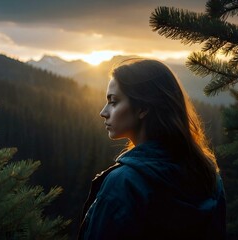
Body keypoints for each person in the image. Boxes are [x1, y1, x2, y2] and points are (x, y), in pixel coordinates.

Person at [78, 59, 226, 239]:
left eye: (114, 101)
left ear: (142, 108)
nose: (104, 112)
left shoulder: (123, 183)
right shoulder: (208, 175)